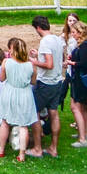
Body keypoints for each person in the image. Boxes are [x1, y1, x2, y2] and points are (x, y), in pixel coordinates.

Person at [0, 37, 42, 162]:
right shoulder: (30, 65)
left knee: (5, 122)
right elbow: (33, 82)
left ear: (13, 50)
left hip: (9, 92)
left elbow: (1, 78)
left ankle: (1, 150)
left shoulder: (6, 62)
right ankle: (21, 154)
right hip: (24, 94)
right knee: (23, 126)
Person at [31, 16, 66, 158]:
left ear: (38, 27)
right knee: (54, 114)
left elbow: (49, 64)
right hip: (58, 81)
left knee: (34, 113)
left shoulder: (45, 41)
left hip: (46, 83)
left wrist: (34, 61)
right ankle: (53, 147)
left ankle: (37, 148)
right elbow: (61, 58)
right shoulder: (57, 39)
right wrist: (38, 56)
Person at [66, 21, 87, 148]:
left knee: (75, 107)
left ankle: (82, 138)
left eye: (74, 32)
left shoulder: (84, 45)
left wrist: (71, 63)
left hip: (81, 80)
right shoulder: (86, 44)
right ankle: (83, 132)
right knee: (83, 107)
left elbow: (83, 63)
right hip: (83, 80)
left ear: (80, 33)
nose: (72, 34)